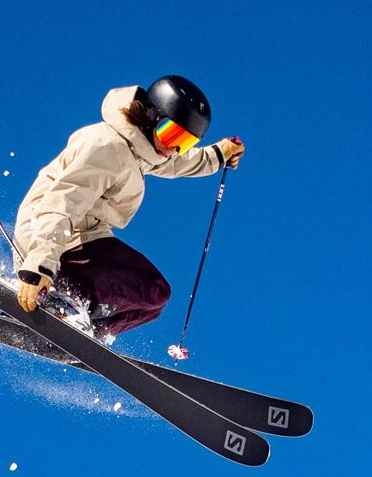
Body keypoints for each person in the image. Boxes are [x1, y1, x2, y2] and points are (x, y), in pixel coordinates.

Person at [13, 76, 244, 337]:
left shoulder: (141, 150)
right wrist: (38, 266)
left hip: (79, 238)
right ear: (150, 116)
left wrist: (218, 154)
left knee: (155, 296)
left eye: (184, 141)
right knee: (151, 288)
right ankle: (59, 303)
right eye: (171, 134)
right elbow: (63, 202)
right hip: (51, 240)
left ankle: (86, 333)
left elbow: (177, 163)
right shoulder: (106, 145)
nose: (174, 148)